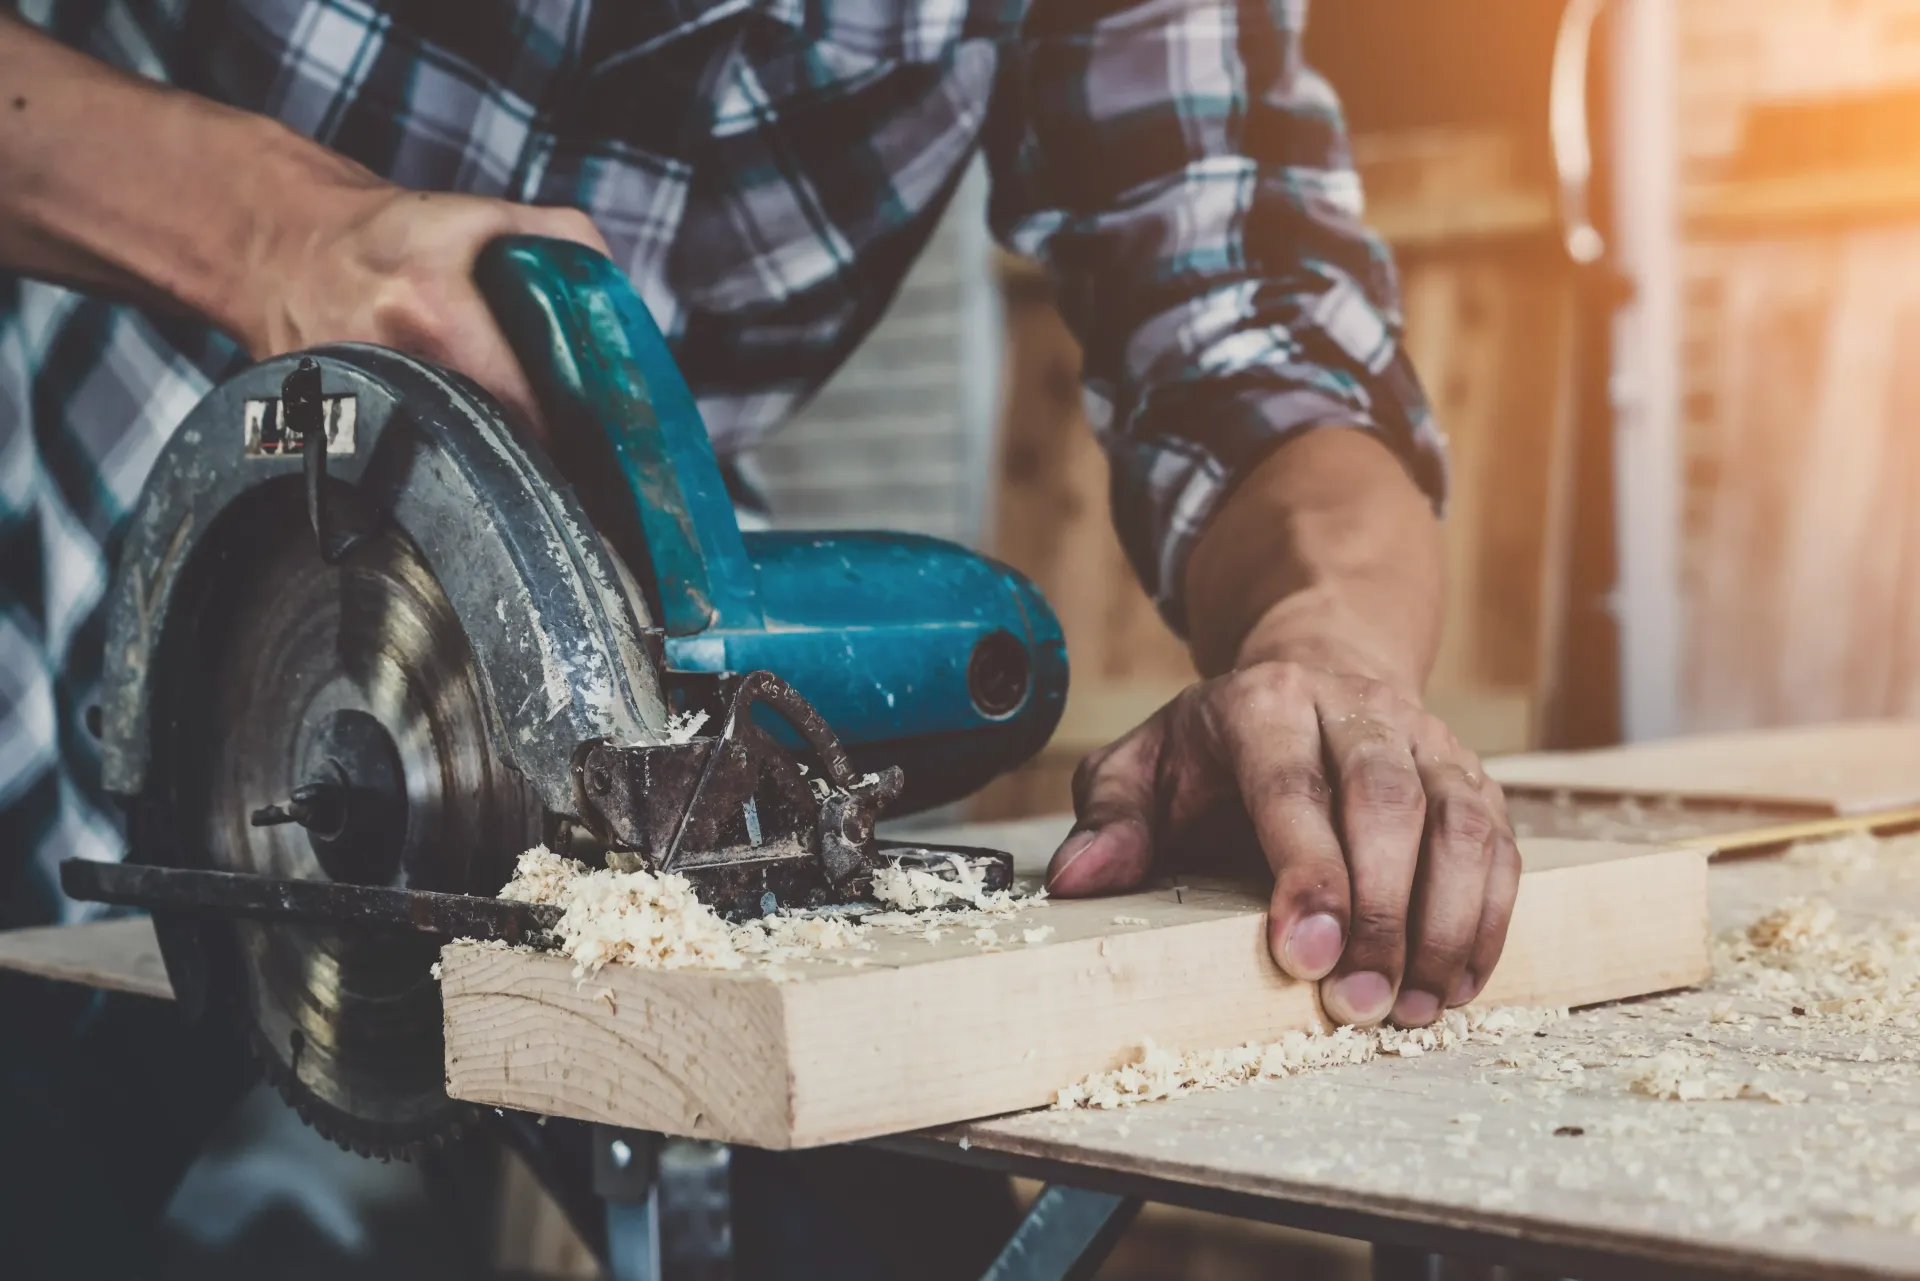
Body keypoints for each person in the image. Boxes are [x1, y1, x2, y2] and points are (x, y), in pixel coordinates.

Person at [0, 0, 1519, 1273]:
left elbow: (1245, 311)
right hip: (81, 549)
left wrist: (1326, 647)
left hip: (608, 702)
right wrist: (272, 227)